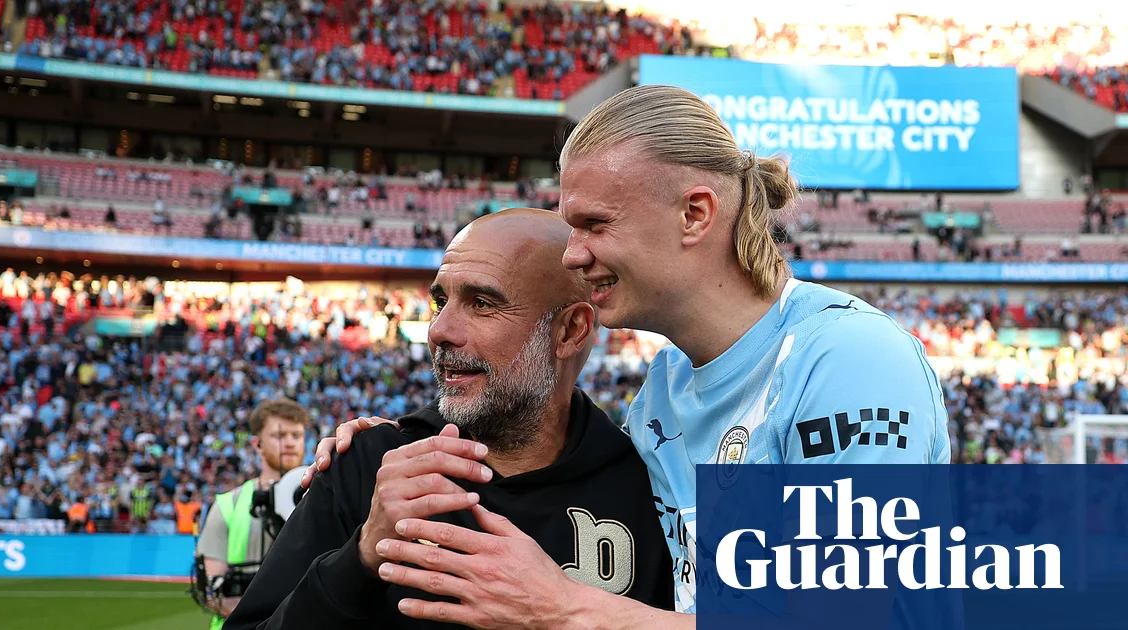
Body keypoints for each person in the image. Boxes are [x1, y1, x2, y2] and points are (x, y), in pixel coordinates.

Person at [306, 85, 951, 627]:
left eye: (594, 224)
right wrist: (390, 439)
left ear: (695, 214)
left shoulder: (847, 360)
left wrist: (563, 608)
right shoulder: (661, 396)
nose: (572, 253)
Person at [224, 208, 672, 629]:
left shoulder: (654, 485)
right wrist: (359, 558)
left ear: (570, 330)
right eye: (441, 301)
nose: (439, 331)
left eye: (482, 303)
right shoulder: (368, 465)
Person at [197, 398, 310, 630]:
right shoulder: (228, 505)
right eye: (279, 436)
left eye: (296, 435)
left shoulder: (327, 500)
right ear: (257, 444)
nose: (290, 443)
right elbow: (214, 594)